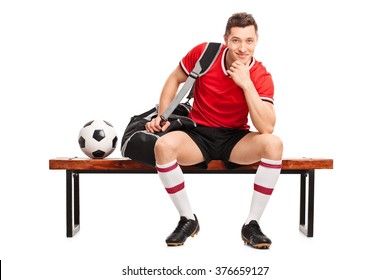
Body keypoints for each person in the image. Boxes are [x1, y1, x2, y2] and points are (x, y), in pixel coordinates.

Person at [145, 12, 283, 249]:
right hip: (199, 134)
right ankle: (188, 219)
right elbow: (175, 78)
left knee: (274, 144)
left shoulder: (260, 75)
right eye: (236, 40)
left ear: (256, 41)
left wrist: (246, 83)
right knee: (163, 146)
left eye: (249, 41)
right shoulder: (205, 53)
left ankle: (252, 224)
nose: (242, 47)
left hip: (235, 139)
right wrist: (162, 115)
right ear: (226, 40)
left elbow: (266, 126)